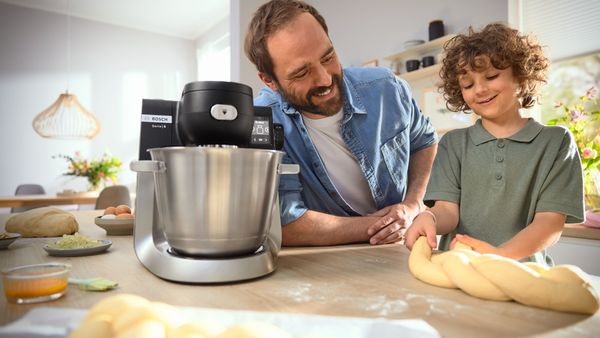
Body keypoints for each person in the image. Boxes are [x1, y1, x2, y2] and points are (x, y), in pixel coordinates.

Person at [244, 0, 437, 246]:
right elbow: (283, 222)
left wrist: (412, 205)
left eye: (327, 57)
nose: (325, 79)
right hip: (324, 262)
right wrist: (386, 224)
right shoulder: (261, 122)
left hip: (402, 247)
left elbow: (425, 141)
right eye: (302, 73)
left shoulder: (386, 87)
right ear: (269, 80)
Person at [404, 23, 584, 265]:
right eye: (468, 85)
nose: (479, 89)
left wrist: (498, 257)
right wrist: (429, 218)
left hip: (523, 274)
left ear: (522, 75)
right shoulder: (453, 144)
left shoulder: (556, 142)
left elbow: (549, 223)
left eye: (491, 76)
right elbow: (447, 210)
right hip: (459, 267)